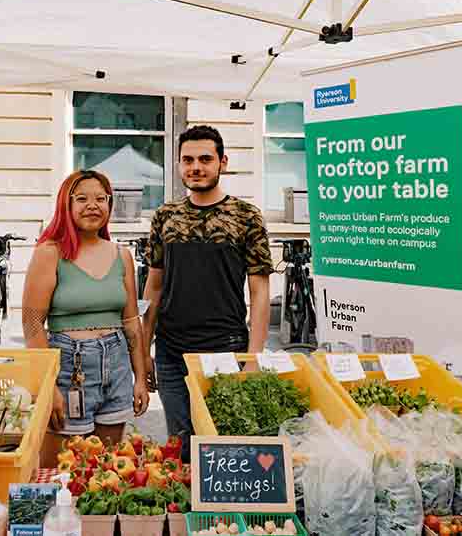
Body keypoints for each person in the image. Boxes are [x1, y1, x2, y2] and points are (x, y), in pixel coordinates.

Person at [142, 125, 273, 461]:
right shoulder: (165, 217)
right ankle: (189, 513)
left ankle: (222, 516)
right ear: (178, 165)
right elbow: (153, 287)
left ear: (222, 162)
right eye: (187, 160)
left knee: (223, 448)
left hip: (226, 351)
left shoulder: (246, 217)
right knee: (181, 447)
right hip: (172, 353)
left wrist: (254, 357)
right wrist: (143, 351)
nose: (195, 167)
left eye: (204, 158)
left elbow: (260, 293)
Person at [22, 170, 150, 465]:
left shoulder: (122, 256)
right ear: (65, 205)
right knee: (59, 469)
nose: (92, 206)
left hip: (116, 367)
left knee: (105, 469)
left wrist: (140, 378)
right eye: (81, 199)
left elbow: (131, 321)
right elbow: (31, 325)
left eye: (100, 199)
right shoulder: (49, 253)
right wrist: (48, 386)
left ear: (109, 205)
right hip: (68, 367)